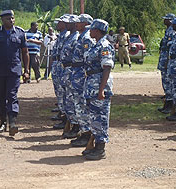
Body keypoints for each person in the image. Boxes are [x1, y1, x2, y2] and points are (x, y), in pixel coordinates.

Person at [0, 10, 30, 136]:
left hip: (14, 70)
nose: (11, 20)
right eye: (8, 19)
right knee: (0, 97)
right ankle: (3, 121)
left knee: (12, 95)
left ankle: (13, 123)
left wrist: (27, 70)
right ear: (3, 20)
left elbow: (25, 52)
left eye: (13, 18)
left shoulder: (20, 33)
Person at [82, 19, 114, 160]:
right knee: (93, 117)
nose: (90, 31)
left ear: (97, 30)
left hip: (99, 87)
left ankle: (101, 149)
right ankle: (95, 145)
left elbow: (106, 68)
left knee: (100, 117)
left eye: (92, 29)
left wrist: (101, 90)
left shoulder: (104, 45)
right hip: (91, 86)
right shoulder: (96, 44)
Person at [68, 14, 95, 145]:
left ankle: (87, 134)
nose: (76, 24)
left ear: (85, 24)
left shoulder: (87, 38)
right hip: (76, 74)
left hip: (81, 75)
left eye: (79, 22)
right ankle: (84, 132)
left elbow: (89, 59)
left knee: (82, 105)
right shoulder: (81, 37)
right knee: (78, 104)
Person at [59, 15, 80, 138]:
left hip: (72, 70)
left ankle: (76, 126)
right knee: (68, 99)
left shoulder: (76, 38)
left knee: (73, 100)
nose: (66, 25)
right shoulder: (69, 37)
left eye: (69, 23)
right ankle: (72, 123)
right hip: (66, 69)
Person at [51, 14, 70, 130]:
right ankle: (62, 113)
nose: (57, 24)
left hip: (63, 66)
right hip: (57, 64)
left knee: (64, 92)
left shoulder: (67, 36)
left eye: (60, 22)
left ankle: (65, 117)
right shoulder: (61, 35)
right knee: (59, 90)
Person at [157, 13, 176, 114]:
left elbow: (171, 49)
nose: (164, 21)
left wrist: (167, 62)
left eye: (166, 19)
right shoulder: (168, 31)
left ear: (171, 21)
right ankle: (167, 103)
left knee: (168, 83)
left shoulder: (172, 32)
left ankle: (170, 104)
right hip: (164, 60)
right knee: (165, 82)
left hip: (168, 61)